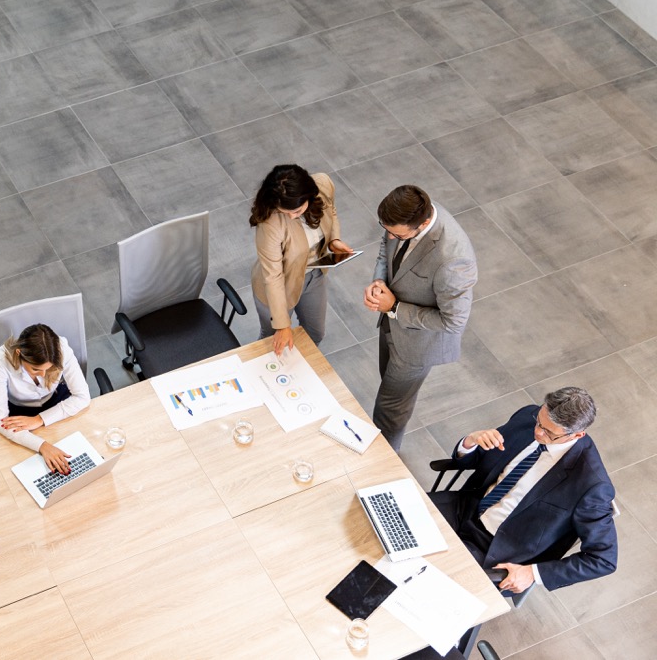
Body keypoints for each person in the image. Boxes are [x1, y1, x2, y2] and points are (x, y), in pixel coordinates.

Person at [430, 387, 617, 593]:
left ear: (578, 434)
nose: (537, 431)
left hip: (494, 548)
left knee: (429, 584)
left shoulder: (591, 485)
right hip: (464, 507)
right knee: (392, 519)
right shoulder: (527, 417)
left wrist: (532, 573)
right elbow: (480, 458)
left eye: (548, 432)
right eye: (539, 421)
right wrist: (471, 442)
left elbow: (603, 559)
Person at [363, 185, 476, 450]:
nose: (389, 236)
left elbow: (453, 321)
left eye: (396, 233)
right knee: (389, 390)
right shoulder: (408, 212)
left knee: (390, 409)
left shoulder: (454, 261)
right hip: (391, 325)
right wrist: (379, 281)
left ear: (423, 223)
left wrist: (395, 308)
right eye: (386, 228)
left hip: (418, 343)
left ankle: (384, 460)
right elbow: (386, 247)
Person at [249, 164, 352, 357]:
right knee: (272, 340)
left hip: (315, 274)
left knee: (315, 333)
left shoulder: (323, 184)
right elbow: (273, 277)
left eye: (296, 211)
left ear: (309, 196)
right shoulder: (270, 223)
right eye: (285, 212)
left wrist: (334, 239)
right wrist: (282, 325)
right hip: (279, 284)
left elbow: (332, 210)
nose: (291, 216)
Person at [0, 323, 90, 475]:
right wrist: (43, 446)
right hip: (20, 411)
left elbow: (82, 397)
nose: (43, 375)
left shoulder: (62, 349)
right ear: (19, 353)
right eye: (35, 369)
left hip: (56, 401)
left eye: (48, 369)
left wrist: (39, 419)